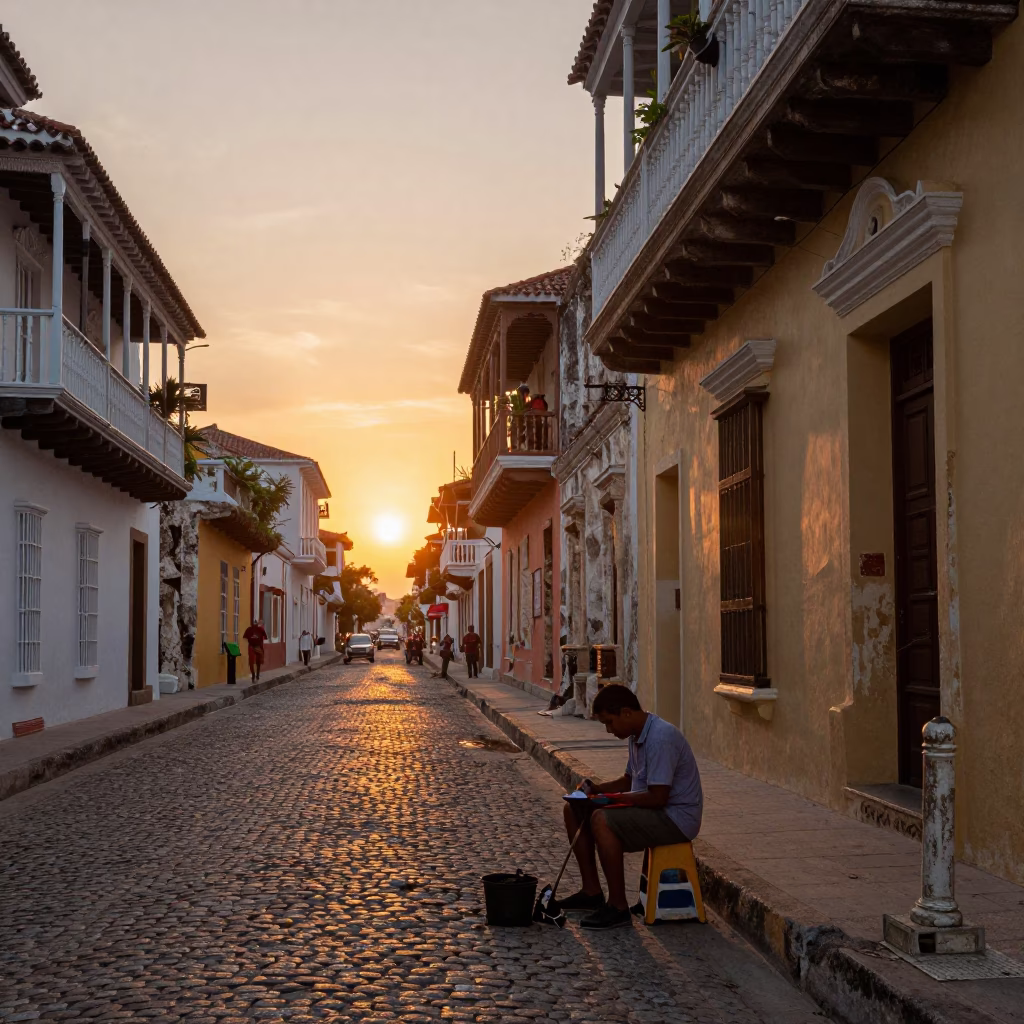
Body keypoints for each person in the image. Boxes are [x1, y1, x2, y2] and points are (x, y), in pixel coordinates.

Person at [560, 683, 703, 930]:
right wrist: (595, 789)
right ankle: (591, 892)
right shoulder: (636, 735)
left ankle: (618, 906)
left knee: (601, 819)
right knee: (574, 810)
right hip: (655, 811)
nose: (608, 730)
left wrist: (614, 801)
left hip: (676, 818)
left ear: (626, 712)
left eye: (610, 722)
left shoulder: (660, 737)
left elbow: (658, 797)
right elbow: (629, 780)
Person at [242, 618, 268, 683]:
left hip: (258, 646)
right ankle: (253, 675)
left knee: (258, 661)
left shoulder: (260, 630)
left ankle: (257, 675)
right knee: (251, 661)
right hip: (251, 646)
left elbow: (265, 637)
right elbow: (245, 638)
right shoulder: (249, 629)